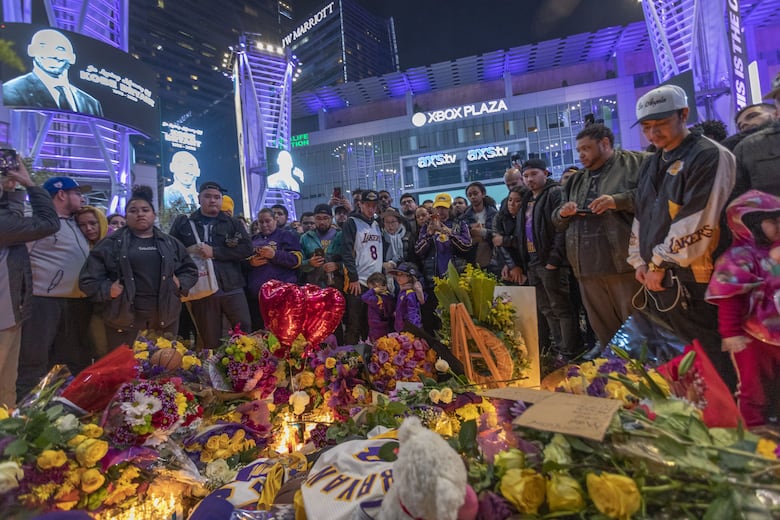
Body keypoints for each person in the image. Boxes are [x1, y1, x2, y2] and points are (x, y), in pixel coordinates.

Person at [627, 84, 737, 391]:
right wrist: (638, 260)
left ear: (684, 114)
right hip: (658, 277)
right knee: (681, 358)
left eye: (660, 124)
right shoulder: (652, 161)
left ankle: (729, 421)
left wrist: (660, 262)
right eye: (647, 127)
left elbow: (699, 219)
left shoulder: (709, 155)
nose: (653, 134)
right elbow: (643, 213)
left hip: (697, 276)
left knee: (711, 355)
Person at [553, 124, 646, 348]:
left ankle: (646, 378)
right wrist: (564, 213)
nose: (581, 154)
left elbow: (655, 197)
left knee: (638, 330)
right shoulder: (576, 179)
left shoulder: (636, 163)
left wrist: (617, 200)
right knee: (605, 334)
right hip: (586, 268)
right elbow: (556, 220)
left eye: (586, 148)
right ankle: (613, 376)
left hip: (624, 265)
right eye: (579, 150)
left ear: (605, 143)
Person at [79, 186, 198, 349]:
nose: (140, 214)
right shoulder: (110, 244)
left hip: (165, 318)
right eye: (133, 210)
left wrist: (180, 283)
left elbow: (190, 270)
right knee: (125, 370)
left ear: (153, 215)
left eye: (145, 210)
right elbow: (87, 280)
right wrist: (108, 289)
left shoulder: (171, 243)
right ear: (126, 216)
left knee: (164, 369)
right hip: (123, 319)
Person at [706, 191, 780, 427]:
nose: (778, 225)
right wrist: (731, 334)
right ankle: (753, 433)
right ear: (750, 224)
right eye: (772, 221)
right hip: (752, 338)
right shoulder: (738, 257)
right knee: (752, 388)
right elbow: (729, 299)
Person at [17, 176, 93, 397]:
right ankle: (24, 416)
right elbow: (20, 260)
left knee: (69, 360)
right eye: (77, 193)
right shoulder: (38, 222)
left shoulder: (75, 223)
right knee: (34, 360)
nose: (82, 197)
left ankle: (58, 410)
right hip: (43, 302)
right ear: (62, 194)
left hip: (74, 303)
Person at [0, 161, 59, 407]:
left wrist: (12, 191)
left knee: (6, 388)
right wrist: (29, 184)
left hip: (9, 314)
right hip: (3, 316)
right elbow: (48, 222)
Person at [169, 181, 253, 349]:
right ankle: (213, 373)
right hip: (202, 290)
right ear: (199, 199)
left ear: (222, 200)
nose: (212, 200)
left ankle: (247, 370)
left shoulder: (233, 223)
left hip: (232, 286)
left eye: (217, 197)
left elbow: (247, 249)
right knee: (210, 339)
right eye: (208, 196)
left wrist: (215, 252)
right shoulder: (184, 224)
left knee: (245, 333)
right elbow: (172, 252)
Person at [519, 159, 582, 360]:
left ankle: (570, 351)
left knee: (561, 307)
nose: (530, 179)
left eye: (534, 174)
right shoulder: (528, 199)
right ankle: (558, 350)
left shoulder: (555, 193)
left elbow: (561, 229)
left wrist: (554, 259)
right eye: (526, 175)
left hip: (551, 261)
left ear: (545, 173)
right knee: (546, 308)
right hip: (533, 261)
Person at [2, 29, 103, 116]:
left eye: (60, 49)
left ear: (72, 58)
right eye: (43, 46)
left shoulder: (92, 103)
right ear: (31, 50)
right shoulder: (12, 90)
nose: (52, 53)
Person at [415, 193, 472, 332]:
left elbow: (467, 246)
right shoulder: (426, 226)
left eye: (444, 208)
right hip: (433, 280)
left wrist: (449, 233)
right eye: (438, 208)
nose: (441, 211)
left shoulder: (460, 224)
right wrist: (428, 235)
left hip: (456, 280)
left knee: (456, 320)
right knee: (433, 320)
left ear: (450, 208)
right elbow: (418, 251)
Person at [340, 190, 385, 344]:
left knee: (373, 323)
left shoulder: (377, 224)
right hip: (359, 281)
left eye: (374, 205)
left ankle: (371, 358)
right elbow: (346, 251)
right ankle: (350, 360)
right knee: (354, 322)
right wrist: (353, 277)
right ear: (360, 204)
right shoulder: (352, 222)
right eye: (367, 205)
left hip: (376, 282)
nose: (371, 209)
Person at [247, 208, 302, 324]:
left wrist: (275, 255)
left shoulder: (286, 235)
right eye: (261, 222)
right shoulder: (252, 240)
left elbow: (297, 260)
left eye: (268, 221)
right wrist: (250, 263)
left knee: (282, 329)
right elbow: (242, 263)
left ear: (275, 220)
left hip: (281, 295)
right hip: (257, 297)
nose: (264, 225)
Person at [732, 73, 780, 197]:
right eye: (741, 126)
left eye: (752, 116)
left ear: (774, 113)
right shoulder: (746, 149)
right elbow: (738, 201)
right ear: (777, 111)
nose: (746, 125)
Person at [299, 204, 343, 288]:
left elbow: (352, 261)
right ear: (314, 218)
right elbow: (298, 264)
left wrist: (338, 265)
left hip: (338, 286)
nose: (322, 222)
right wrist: (310, 263)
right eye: (318, 218)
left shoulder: (341, 236)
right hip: (314, 287)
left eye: (325, 218)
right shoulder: (305, 238)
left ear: (332, 218)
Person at [462, 182, 498, 272]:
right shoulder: (463, 217)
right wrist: (470, 230)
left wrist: (483, 232)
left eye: (475, 193)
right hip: (472, 260)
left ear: (483, 194)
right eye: (469, 195)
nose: (473, 197)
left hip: (493, 258)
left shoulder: (495, 214)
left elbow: (499, 234)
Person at [492, 187, 525, 284]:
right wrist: (510, 265)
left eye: (517, 201)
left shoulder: (528, 217)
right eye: (510, 200)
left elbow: (524, 242)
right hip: (506, 263)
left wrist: (505, 240)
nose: (512, 204)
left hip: (527, 263)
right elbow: (498, 243)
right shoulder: (500, 217)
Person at [388, 262, 424, 333]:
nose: (398, 278)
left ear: (410, 277)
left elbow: (412, 312)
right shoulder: (403, 291)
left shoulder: (410, 293)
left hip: (408, 329)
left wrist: (414, 329)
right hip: (401, 327)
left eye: (402, 275)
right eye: (397, 275)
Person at [361, 272, 395, 341]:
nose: (370, 290)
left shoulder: (375, 299)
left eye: (371, 288)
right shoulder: (390, 296)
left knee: (376, 345)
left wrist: (373, 291)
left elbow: (364, 297)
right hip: (386, 324)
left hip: (375, 326)